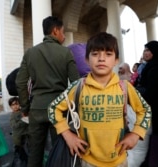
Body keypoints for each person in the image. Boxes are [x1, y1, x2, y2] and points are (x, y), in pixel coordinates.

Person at [48, 32, 151, 167]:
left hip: (119, 161)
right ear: (86, 59)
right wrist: (67, 135)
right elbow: (53, 108)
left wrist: (136, 134)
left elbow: (145, 110)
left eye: (108, 54)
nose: (101, 59)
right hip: (86, 160)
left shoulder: (125, 87)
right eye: (95, 54)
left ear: (116, 60)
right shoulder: (78, 86)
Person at [15, 16, 80, 167]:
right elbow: (76, 84)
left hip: (36, 109)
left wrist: (25, 108)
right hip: (59, 110)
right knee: (60, 151)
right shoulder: (65, 53)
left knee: (35, 153)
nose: (64, 36)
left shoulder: (30, 53)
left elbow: (20, 82)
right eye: (63, 32)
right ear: (55, 31)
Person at [9, 96, 29, 165]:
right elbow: (13, 125)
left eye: (16, 104)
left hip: (26, 135)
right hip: (18, 138)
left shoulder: (22, 112)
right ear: (10, 106)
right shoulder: (13, 115)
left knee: (27, 152)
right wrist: (23, 119)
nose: (15, 106)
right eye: (13, 105)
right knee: (20, 154)